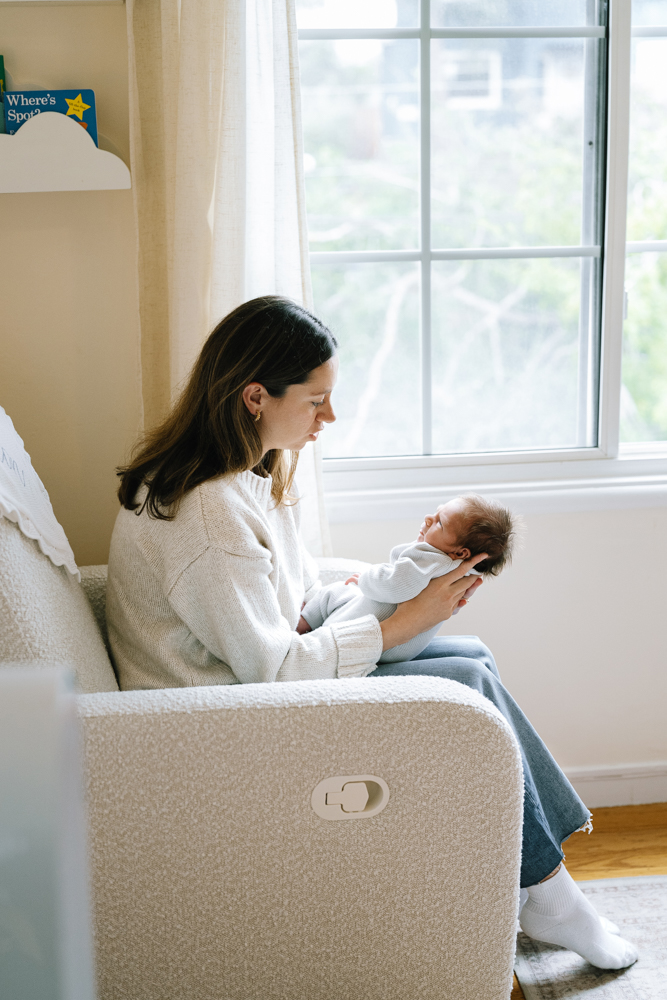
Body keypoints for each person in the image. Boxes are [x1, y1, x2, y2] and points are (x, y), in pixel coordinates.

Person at [107, 295, 638, 971]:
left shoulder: (244, 476)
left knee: (471, 654)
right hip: (216, 723)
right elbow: (272, 671)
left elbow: (288, 600)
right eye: (316, 400)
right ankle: (550, 897)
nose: (329, 417)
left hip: (249, 685)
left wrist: (387, 599)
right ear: (254, 396)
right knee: (466, 679)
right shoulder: (206, 513)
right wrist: (395, 628)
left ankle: (545, 882)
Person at [296, 495, 515, 664]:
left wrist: (365, 579)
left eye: (440, 523)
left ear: (461, 553)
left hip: (367, 632)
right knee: (477, 653)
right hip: (401, 647)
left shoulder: (429, 559)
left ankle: (302, 624)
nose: (429, 519)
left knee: (334, 592)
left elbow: (393, 585)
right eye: (436, 513)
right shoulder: (460, 572)